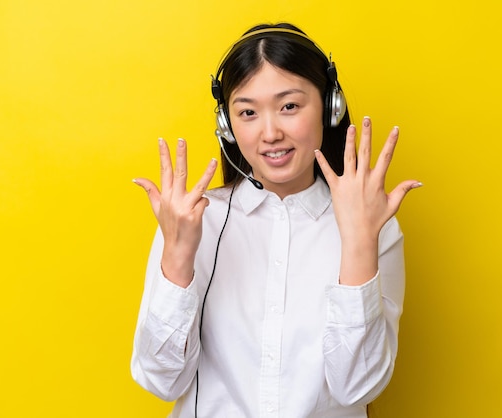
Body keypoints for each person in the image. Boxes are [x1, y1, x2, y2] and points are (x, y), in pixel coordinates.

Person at [130, 22, 421, 418]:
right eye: (247, 112)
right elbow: (161, 381)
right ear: (227, 126)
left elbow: (357, 387)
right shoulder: (196, 221)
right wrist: (177, 259)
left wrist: (358, 242)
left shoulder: (376, 227)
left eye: (289, 106)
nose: (270, 133)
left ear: (330, 107)